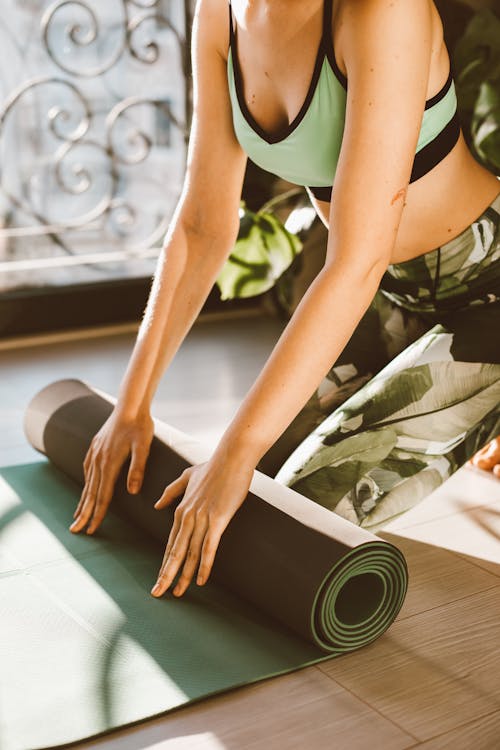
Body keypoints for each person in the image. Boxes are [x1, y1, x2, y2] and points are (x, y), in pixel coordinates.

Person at [69, 0, 500, 599]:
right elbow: (201, 227)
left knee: (301, 507)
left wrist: (236, 450)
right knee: (244, 491)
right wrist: (131, 407)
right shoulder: (221, 15)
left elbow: (354, 259)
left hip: (488, 294)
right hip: (390, 295)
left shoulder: (381, 11)